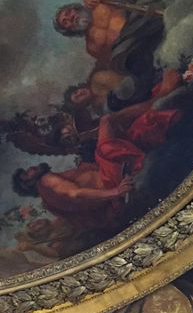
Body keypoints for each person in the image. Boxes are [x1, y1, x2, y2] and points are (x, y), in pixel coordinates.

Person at [12, 69, 184, 236]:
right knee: (107, 122)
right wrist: (116, 191)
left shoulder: (49, 196)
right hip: (111, 182)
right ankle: (163, 94)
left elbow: (83, 183)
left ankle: (159, 101)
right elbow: (75, 194)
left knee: (121, 134)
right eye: (26, 174)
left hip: (110, 180)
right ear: (29, 184)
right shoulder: (45, 182)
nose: (30, 169)